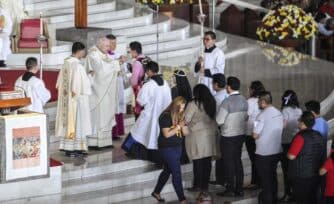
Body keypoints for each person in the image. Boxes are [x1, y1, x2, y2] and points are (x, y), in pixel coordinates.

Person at [123, 61, 172, 162]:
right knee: (154, 135)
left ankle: (137, 153)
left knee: (138, 131)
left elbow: (140, 101)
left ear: (149, 71)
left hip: (150, 114)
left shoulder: (149, 84)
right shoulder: (166, 83)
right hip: (163, 115)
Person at [56, 42, 92, 157]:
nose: (84, 53)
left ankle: (67, 147)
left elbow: (58, 84)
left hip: (66, 100)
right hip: (76, 101)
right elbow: (82, 86)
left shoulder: (65, 63)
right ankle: (76, 148)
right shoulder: (78, 66)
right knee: (77, 123)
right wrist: (90, 77)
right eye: (84, 51)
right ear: (80, 51)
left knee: (68, 123)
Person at [152, 96, 189, 204]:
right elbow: (167, 134)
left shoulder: (180, 115)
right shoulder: (165, 116)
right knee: (176, 173)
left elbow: (186, 133)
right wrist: (178, 126)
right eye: (180, 108)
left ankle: (156, 192)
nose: (182, 110)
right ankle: (182, 199)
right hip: (167, 148)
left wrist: (184, 125)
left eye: (183, 108)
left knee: (167, 170)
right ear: (175, 106)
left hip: (178, 147)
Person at [85, 37, 121, 148]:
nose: (108, 48)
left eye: (109, 46)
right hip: (97, 93)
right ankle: (94, 142)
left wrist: (116, 63)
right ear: (100, 45)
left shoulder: (103, 54)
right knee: (98, 116)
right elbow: (101, 71)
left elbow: (108, 63)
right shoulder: (93, 54)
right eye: (106, 46)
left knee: (106, 115)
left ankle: (105, 141)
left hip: (105, 92)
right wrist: (116, 64)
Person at [216, 76, 248, 197]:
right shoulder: (244, 100)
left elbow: (219, 121)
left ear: (228, 87)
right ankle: (239, 189)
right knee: (237, 161)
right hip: (240, 135)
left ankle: (230, 188)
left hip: (228, 136)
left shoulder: (227, 102)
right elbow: (246, 118)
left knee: (228, 163)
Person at [184, 84, 217, 201]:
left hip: (197, 135)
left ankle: (197, 185)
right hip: (210, 134)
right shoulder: (211, 101)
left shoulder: (194, 103)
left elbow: (186, 119)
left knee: (198, 160)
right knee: (207, 161)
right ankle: (205, 186)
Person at [288, 111, 326, 204]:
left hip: (301, 176)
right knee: (313, 198)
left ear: (302, 122)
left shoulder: (300, 137)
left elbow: (291, 156)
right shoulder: (319, 135)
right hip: (316, 173)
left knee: (302, 199)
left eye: (299, 120)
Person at [253, 91, 283, 204]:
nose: (258, 103)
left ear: (263, 102)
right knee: (273, 177)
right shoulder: (278, 113)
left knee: (265, 181)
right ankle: (274, 200)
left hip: (264, 153)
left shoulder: (261, 115)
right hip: (276, 151)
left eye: (259, 101)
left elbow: (255, 135)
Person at [279, 90, 302, 202]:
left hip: (287, 143)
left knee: (286, 170)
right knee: (295, 170)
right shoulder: (299, 110)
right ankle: (296, 193)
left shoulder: (285, 111)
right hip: (297, 143)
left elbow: (282, 126)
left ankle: (288, 193)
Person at [106, 34, 128, 140]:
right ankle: (112, 133)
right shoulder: (104, 56)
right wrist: (119, 62)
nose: (114, 45)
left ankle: (119, 131)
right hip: (110, 84)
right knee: (112, 107)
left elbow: (124, 70)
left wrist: (123, 64)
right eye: (112, 43)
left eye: (115, 43)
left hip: (118, 83)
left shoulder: (118, 54)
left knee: (119, 106)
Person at [245, 80, 265, 189]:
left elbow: (246, 116)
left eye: (250, 88)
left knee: (254, 158)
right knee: (258, 157)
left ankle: (255, 182)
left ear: (252, 89)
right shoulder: (263, 100)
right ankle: (258, 181)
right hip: (261, 132)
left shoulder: (251, 101)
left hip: (250, 133)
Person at [209, 73, 228, 186]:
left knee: (220, 155)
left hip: (219, 128)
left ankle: (220, 179)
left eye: (212, 83)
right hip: (230, 128)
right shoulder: (228, 95)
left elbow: (212, 115)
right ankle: (223, 179)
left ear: (216, 84)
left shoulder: (215, 98)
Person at [171, 69, 192, 164]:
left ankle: (179, 158)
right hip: (186, 117)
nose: (172, 78)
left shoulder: (174, 90)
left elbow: (173, 104)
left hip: (177, 116)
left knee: (178, 139)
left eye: (173, 76)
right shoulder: (188, 88)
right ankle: (185, 157)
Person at [129, 41, 147, 119]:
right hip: (148, 87)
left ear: (134, 51)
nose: (130, 53)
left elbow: (134, 82)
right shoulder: (146, 59)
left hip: (140, 88)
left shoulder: (137, 63)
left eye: (130, 51)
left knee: (138, 110)